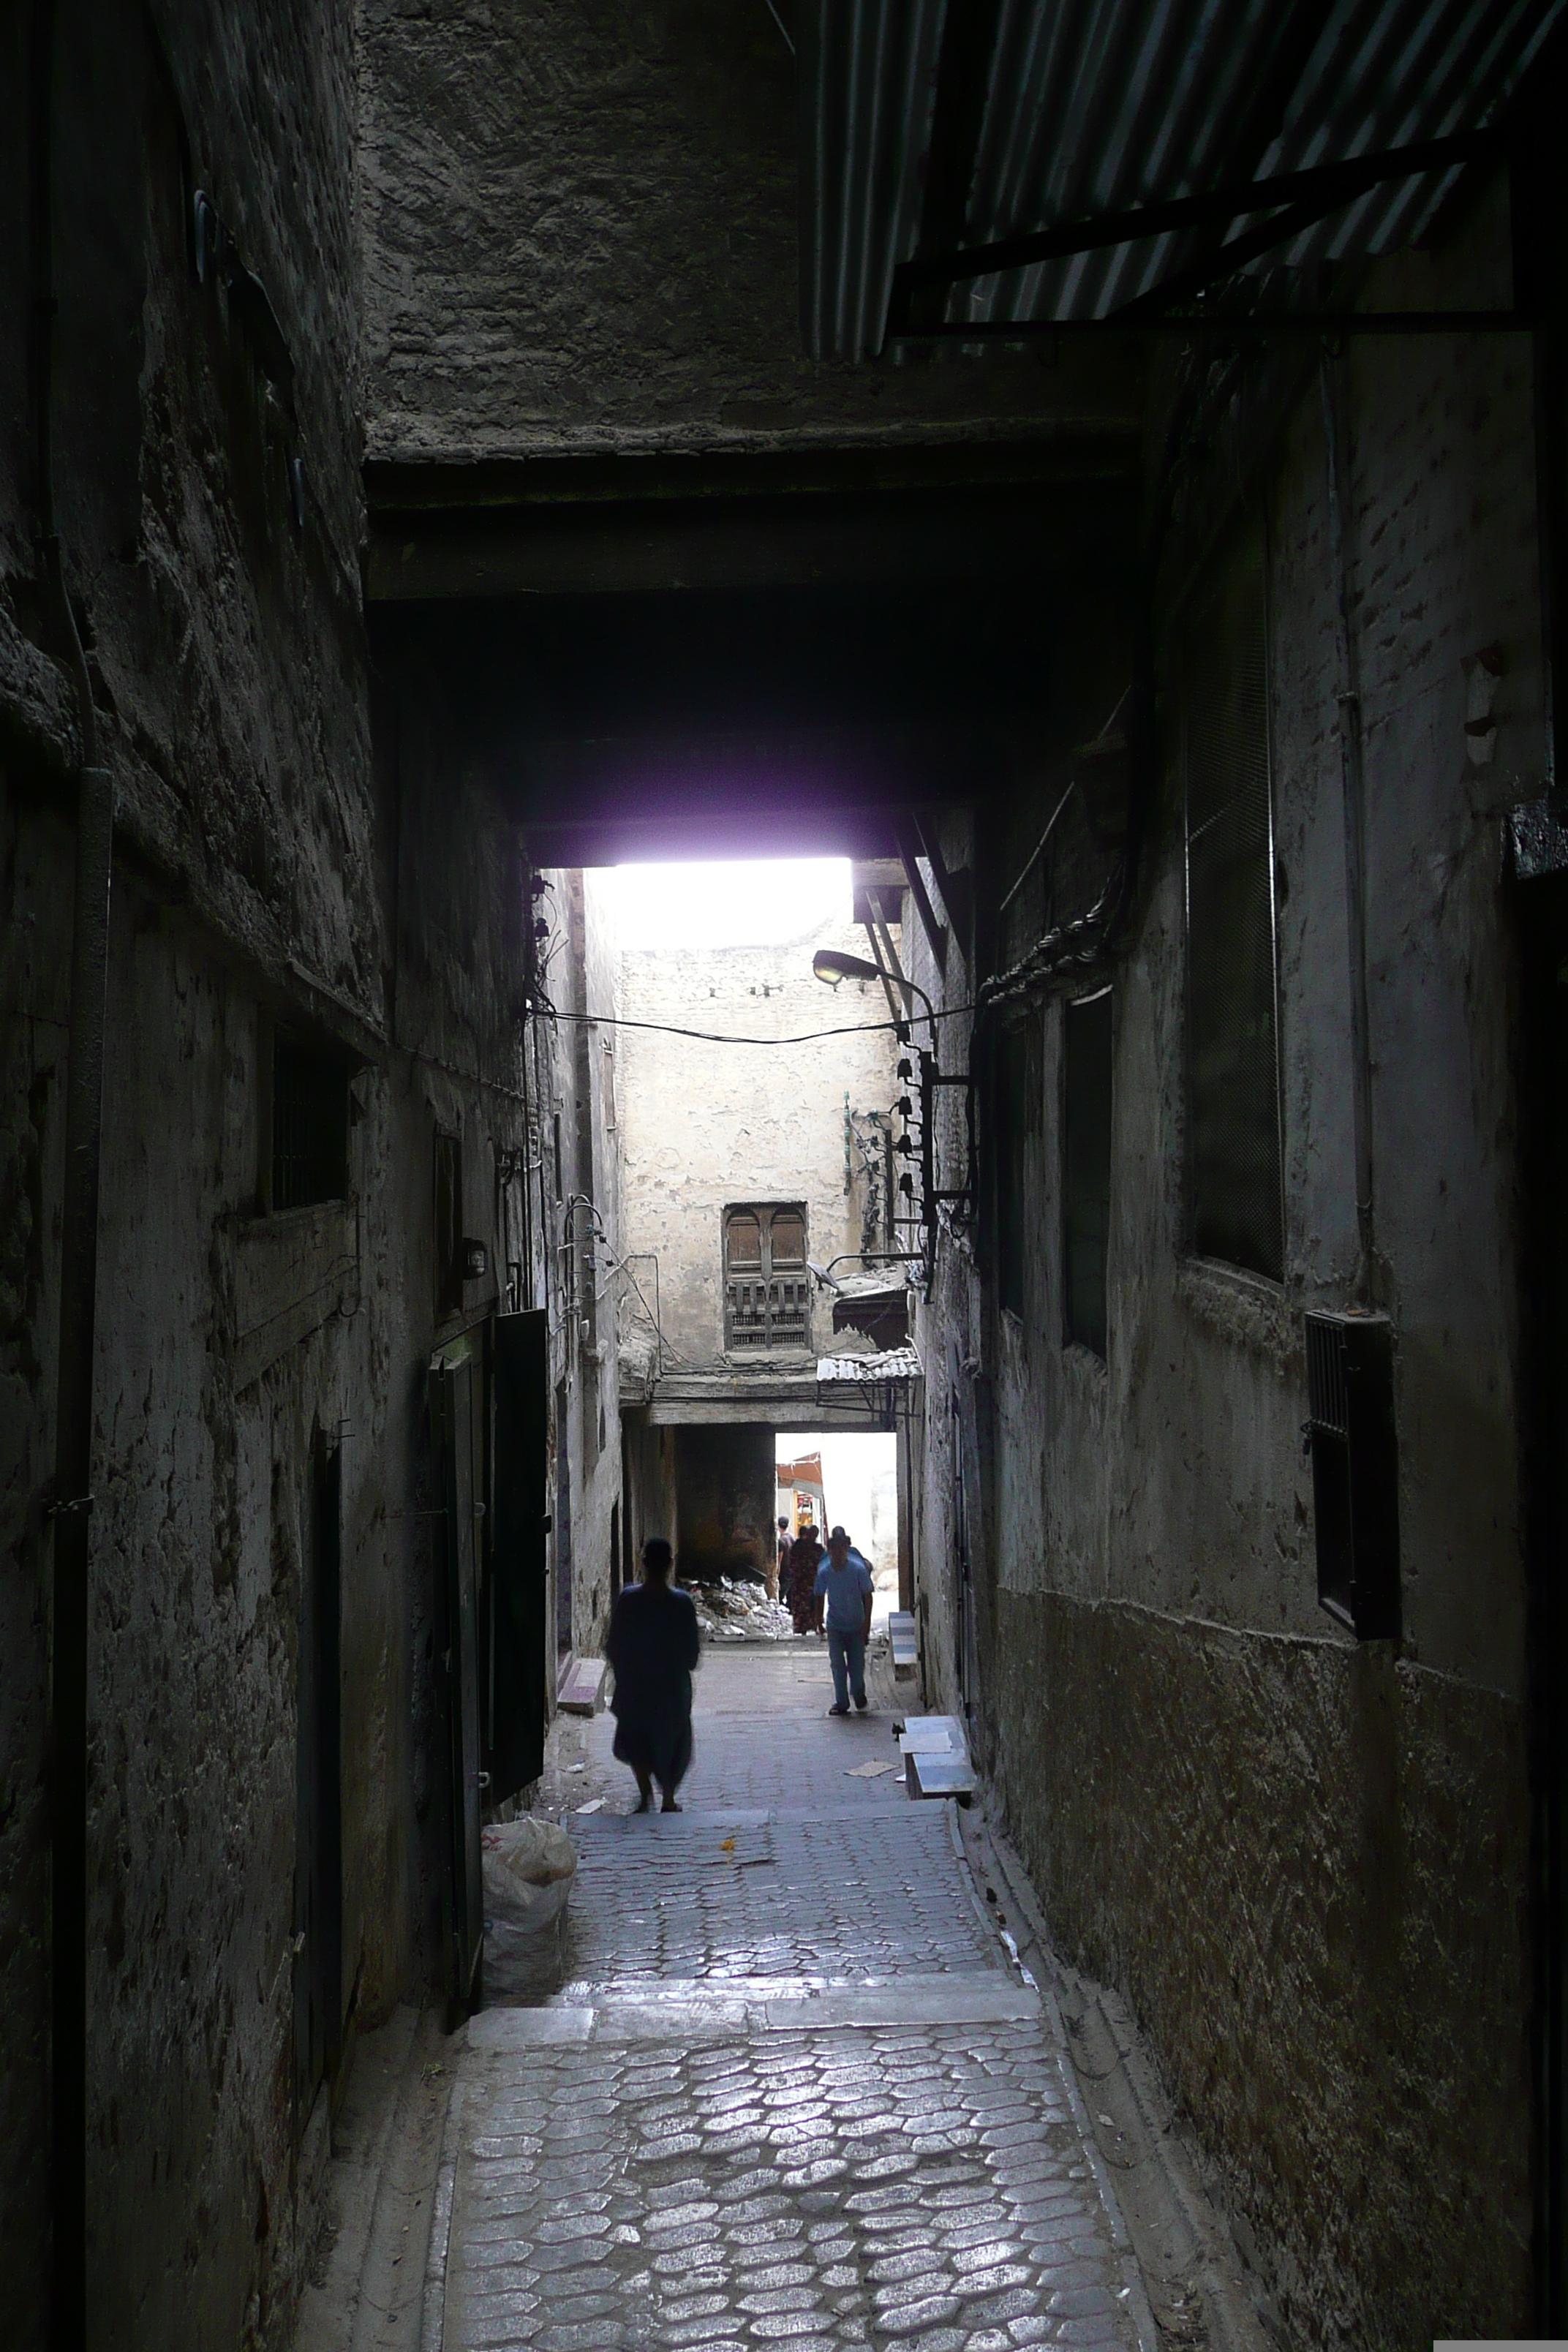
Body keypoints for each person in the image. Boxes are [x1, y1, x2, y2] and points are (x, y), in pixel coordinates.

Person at [605, 1537, 701, 1812]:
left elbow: (614, 1644)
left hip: (636, 1687)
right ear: (670, 1564)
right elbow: (691, 1653)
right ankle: (668, 1796)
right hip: (671, 1688)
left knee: (637, 1740)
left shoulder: (629, 1599)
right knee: (674, 1742)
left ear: (643, 1563)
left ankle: (646, 1794)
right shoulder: (681, 1603)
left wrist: (624, 1675)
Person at [813, 1525, 873, 1715]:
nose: (838, 1553)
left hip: (856, 1625)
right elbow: (819, 1595)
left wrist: (866, 1625)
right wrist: (819, 1620)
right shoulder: (825, 1572)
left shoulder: (857, 1569)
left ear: (846, 1549)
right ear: (829, 1551)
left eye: (841, 1549)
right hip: (836, 1625)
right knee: (838, 1664)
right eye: (834, 1550)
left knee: (856, 1666)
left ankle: (858, 1693)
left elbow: (868, 1595)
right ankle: (842, 1702)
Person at [786, 1519, 824, 1635]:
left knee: (804, 1605)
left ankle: (803, 1626)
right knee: (812, 1604)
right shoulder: (817, 1549)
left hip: (801, 1583)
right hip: (809, 1582)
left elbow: (792, 1564)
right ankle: (813, 1625)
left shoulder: (797, 1547)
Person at [770, 1515, 791, 1602]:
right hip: (793, 1573)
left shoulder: (781, 1541)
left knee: (780, 1598)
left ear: (778, 1526)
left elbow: (779, 1560)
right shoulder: (792, 1537)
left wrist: (776, 1577)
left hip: (785, 1574)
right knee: (791, 1600)